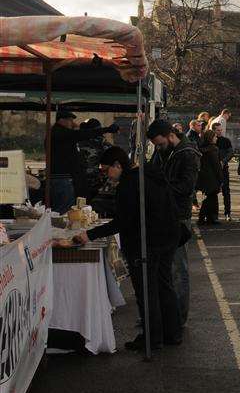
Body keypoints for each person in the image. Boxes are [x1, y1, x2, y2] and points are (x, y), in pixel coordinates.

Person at [75, 147, 183, 351]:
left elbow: (123, 221)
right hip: (168, 235)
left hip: (147, 241)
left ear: (118, 165)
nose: (106, 175)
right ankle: (172, 332)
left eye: (107, 170)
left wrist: (89, 234)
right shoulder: (148, 174)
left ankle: (152, 338)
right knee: (163, 284)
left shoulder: (129, 184)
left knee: (146, 290)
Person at [146, 119, 200, 327]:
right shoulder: (165, 151)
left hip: (178, 215)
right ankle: (166, 313)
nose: (158, 148)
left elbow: (186, 187)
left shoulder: (187, 153)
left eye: (160, 144)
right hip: (164, 214)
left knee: (178, 269)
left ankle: (178, 317)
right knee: (166, 268)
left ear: (170, 136)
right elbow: (154, 171)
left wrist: (158, 187)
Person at [46, 110, 120, 213]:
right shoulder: (60, 133)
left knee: (66, 210)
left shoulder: (60, 134)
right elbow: (82, 134)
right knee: (64, 212)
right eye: (70, 120)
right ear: (62, 120)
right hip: (63, 179)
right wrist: (107, 129)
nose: (73, 123)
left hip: (67, 178)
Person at [196, 130, 223, 226]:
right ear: (211, 138)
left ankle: (209, 217)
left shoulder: (203, 148)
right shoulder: (213, 149)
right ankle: (205, 217)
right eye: (215, 137)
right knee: (211, 198)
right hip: (213, 177)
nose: (216, 138)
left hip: (204, 176)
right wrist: (221, 178)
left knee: (210, 197)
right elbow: (216, 166)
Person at [211, 121, 234, 220]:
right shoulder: (210, 141)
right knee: (212, 192)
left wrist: (223, 161)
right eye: (218, 130)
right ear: (213, 131)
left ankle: (227, 213)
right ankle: (213, 214)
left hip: (223, 168)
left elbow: (230, 152)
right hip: (213, 170)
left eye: (221, 130)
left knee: (226, 191)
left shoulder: (226, 141)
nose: (220, 132)